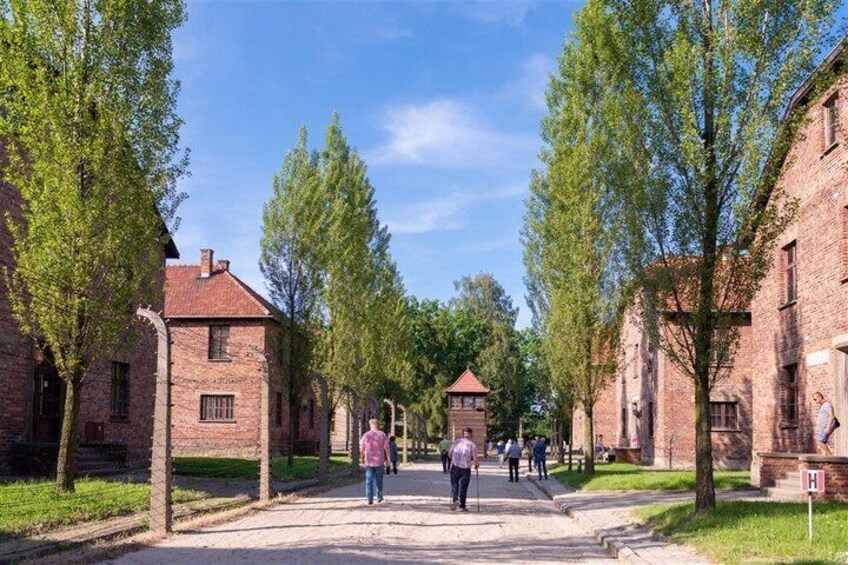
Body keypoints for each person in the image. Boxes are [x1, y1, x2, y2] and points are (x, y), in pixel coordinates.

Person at [359, 418, 391, 505]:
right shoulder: (382, 434)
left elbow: (361, 448)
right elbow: (387, 448)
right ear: (378, 425)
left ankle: (369, 498)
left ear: (371, 425)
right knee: (379, 480)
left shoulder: (366, 435)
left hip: (369, 461)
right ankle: (379, 497)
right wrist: (388, 460)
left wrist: (361, 458)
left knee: (369, 480)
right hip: (379, 461)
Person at [448, 427, 479, 512]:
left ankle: (455, 500)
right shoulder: (472, 445)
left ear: (463, 434)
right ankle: (462, 505)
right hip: (465, 469)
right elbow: (475, 459)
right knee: (463, 487)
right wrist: (476, 465)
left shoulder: (456, 442)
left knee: (454, 484)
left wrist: (454, 459)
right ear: (471, 434)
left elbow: (449, 454)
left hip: (455, 467)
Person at [814, 391, 839, 456]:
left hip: (825, 427)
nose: (815, 401)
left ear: (820, 397)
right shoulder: (822, 405)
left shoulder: (827, 405)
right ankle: (825, 459)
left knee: (820, 441)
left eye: (815, 399)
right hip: (822, 427)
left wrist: (828, 427)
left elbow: (832, 416)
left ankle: (830, 455)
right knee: (823, 443)